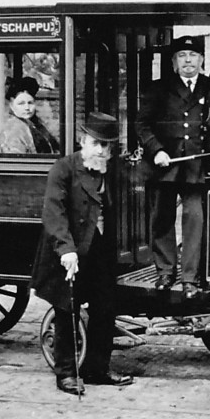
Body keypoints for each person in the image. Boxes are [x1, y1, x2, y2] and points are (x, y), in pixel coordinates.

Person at [30, 112, 133, 395]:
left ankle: (98, 368)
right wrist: (66, 250)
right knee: (68, 309)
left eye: (106, 146)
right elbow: (54, 213)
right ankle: (66, 373)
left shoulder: (110, 170)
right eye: (96, 144)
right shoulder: (63, 169)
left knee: (105, 308)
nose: (101, 151)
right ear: (82, 141)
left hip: (99, 248)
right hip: (67, 251)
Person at [136, 35, 210, 300]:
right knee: (162, 219)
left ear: (201, 60)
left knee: (195, 219)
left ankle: (190, 278)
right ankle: (165, 272)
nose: (188, 61)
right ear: (173, 62)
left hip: (196, 168)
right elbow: (142, 125)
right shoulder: (158, 88)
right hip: (164, 167)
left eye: (192, 56)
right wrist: (156, 150)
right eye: (181, 56)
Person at [0, 77, 60, 154]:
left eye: (30, 103)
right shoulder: (13, 131)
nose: (27, 108)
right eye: (21, 103)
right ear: (11, 105)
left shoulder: (36, 125)